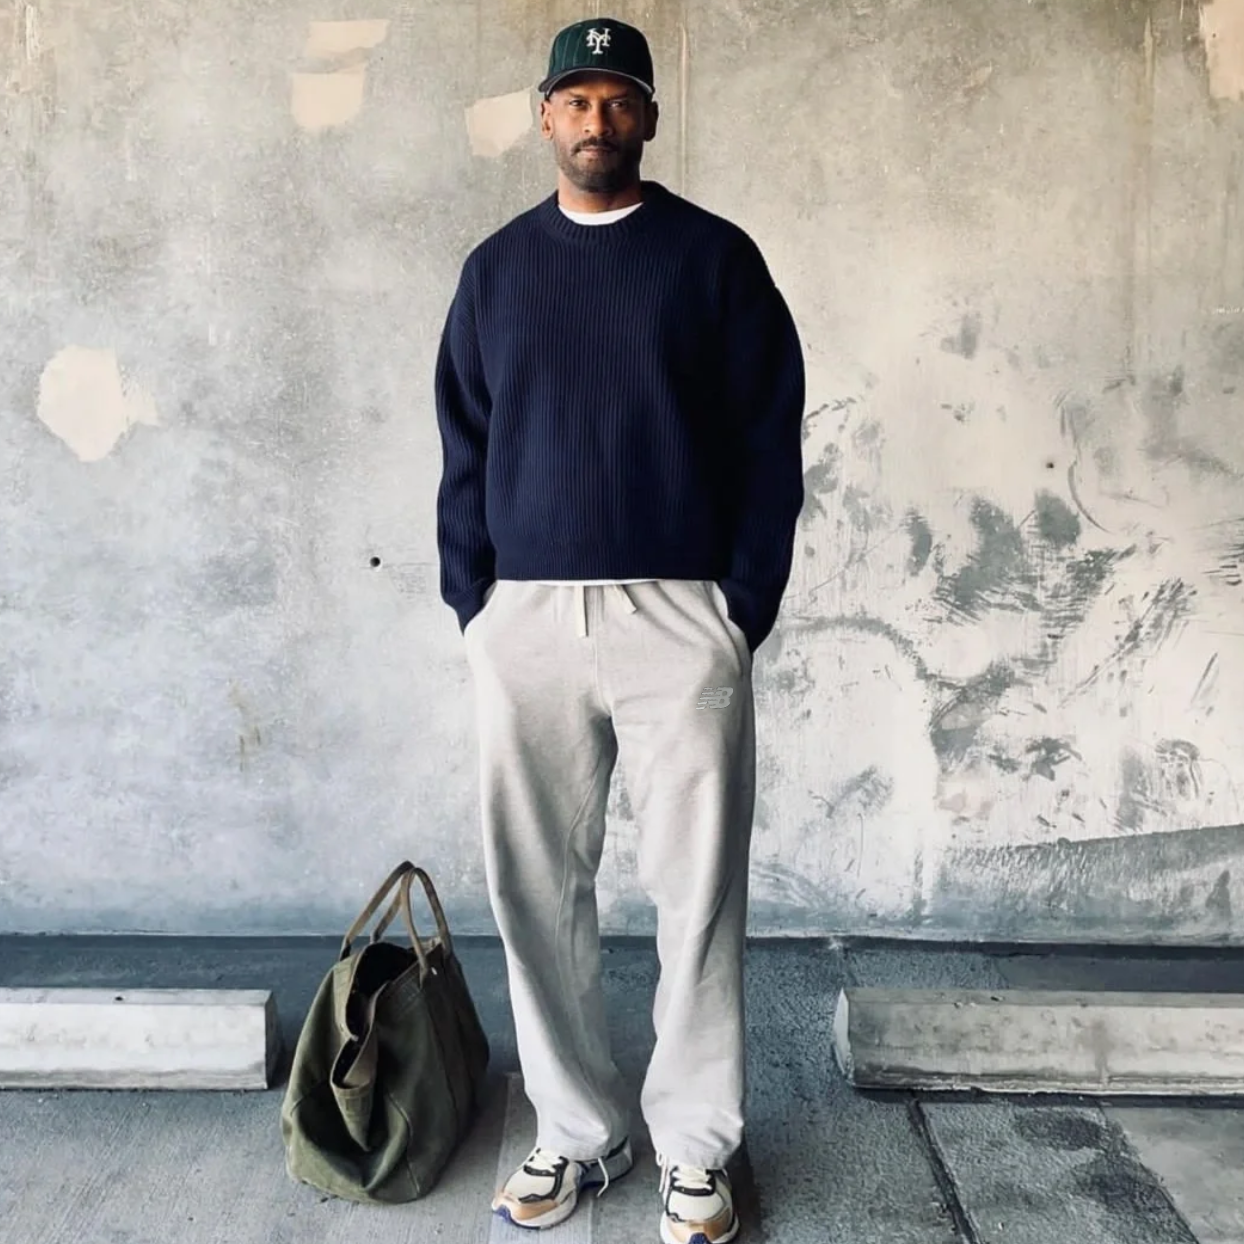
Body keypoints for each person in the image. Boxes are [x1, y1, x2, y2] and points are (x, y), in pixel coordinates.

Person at [434, 16, 804, 1243]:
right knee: (534, 886)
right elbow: (462, 441)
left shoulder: (712, 259)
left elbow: (766, 438)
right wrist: (475, 601)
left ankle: (696, 1147)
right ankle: (578, 1129)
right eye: (575, 98)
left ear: (647, 115)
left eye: (617, 98)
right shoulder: (496, 270)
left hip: (677, 612)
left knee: (696, 890)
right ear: (544, 115)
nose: (596, 119)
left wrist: (738, 604)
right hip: (527, 617)